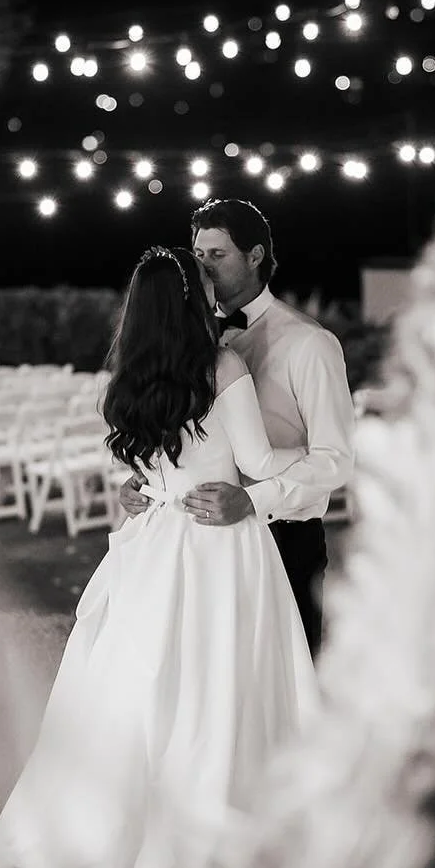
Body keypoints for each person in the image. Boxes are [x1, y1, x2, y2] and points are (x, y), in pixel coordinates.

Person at [0, 246, 320, 868]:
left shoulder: (126, 380)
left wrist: (143, 489)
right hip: (220, 545)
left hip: (155, 548)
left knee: (145, 691)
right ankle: (206, 839)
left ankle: (125, 836)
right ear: (191, 302)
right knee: (220, 689)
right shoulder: (224, 367)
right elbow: (255, 462)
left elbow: (148, 469)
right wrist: (320, 456)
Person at [120, 200, 355, 657]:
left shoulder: (310, 345)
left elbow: (337, 459)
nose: (203, 266)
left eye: (217, 255)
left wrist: (253, 498)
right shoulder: (184, 343)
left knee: (287, 687)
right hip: (203, 546)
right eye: (198, 254)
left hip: (284, 536)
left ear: (255, 256)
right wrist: (147, 481)